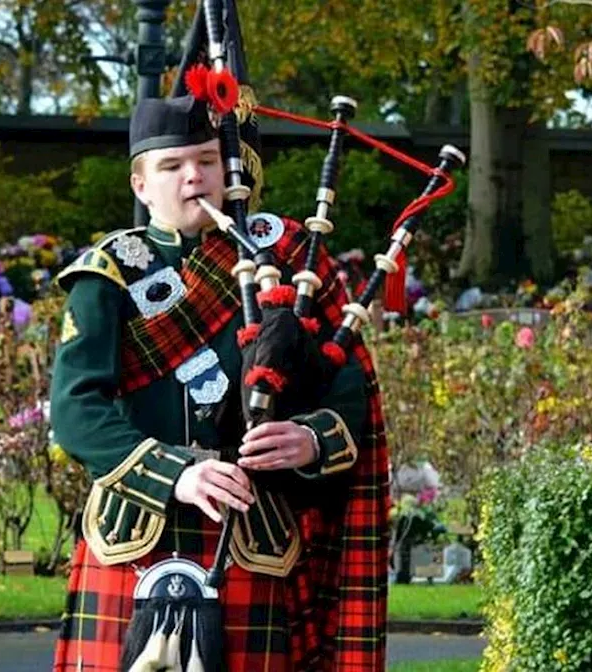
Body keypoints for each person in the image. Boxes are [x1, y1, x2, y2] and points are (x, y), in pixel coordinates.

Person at [49, 93, 390, 671]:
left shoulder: (286, 260)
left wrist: (310, 439)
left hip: (254, 539)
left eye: (207, 160)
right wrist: (177, 475)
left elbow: (347, 387)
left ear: (229, 169)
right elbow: (76, 409)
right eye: (172, 165)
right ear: (140, 184)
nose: (193, 177)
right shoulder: (106, 273)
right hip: (135, 534)